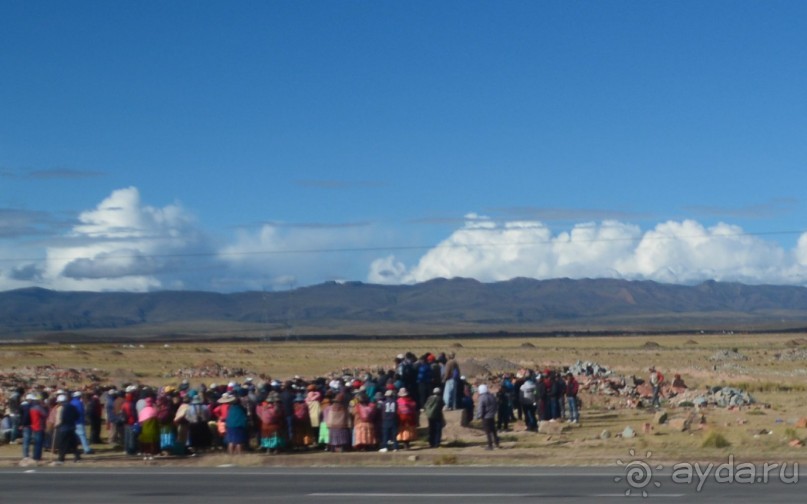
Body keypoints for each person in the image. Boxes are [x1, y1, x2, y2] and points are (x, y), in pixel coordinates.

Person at [54, 394, 81, 464]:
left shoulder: (61, 408)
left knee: (62, 444)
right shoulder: (72, 406)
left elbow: (61, 419)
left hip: (64, 428)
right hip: (72, 427)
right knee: (73, 443)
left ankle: (61, 459)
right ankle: (77, 457)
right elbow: (77, 416)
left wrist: (57, 425)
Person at [476, 384, 499, 450]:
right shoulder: (492, 396)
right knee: (494, 431)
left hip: (486, 417)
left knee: (488, 432)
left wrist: (478, 416)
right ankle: (497, 443)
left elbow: (480, 408)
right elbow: (496, 405)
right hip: (492, 416)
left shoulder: (482, 398)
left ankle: (490, 445)